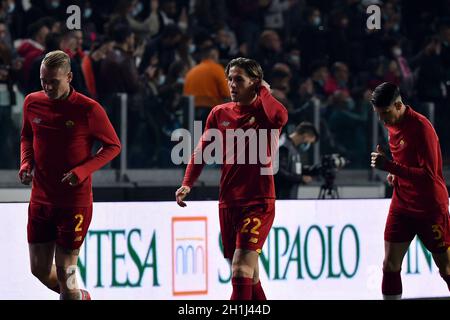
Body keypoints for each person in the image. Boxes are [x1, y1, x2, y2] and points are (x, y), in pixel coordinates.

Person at [175, 57, 288, 300]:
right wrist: (187, 183)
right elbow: (202, 150)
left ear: (255, 83)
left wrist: (265, 92)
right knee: (249, 276)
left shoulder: (266, 112)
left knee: (240, 270)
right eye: (230, 79)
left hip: (258, 201)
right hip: (228, 202)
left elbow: (281, 118)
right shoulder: (219, 113)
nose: (232, 85)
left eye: (239, 79)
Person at [19, 50, 121, 300]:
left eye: (54, 81)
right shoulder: (32, 102)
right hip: (41, 199)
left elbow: (113, 146)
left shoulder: (88, 109)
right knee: (39, 270)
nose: (47, 86)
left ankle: (72, 292)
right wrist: (25, 163)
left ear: (70, 77)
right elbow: (27, 136)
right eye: (44, 80)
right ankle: (79, 296)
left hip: (73, 203)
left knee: (67, 270)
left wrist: (82, 171)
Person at [370, 82, 450, 299]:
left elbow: (428, 176)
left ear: (398, 105)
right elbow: (407, 161)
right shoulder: (392, 122)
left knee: (446, 269)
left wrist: (390, 166)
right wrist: (395, 173)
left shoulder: (421, 128)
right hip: (402, 204)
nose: (382, 120)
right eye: (378, 114)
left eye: (385, 113)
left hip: (429, 207)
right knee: (390, 264)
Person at [275, 121, 319, 199]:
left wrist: (312, 170)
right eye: (309, 142)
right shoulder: (284, 147)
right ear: (305, 135)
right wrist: (301, 178)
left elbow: (293, 170)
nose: (308, 144)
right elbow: (279, 172)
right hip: (281, 197)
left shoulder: (293, 148)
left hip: (289, 196)